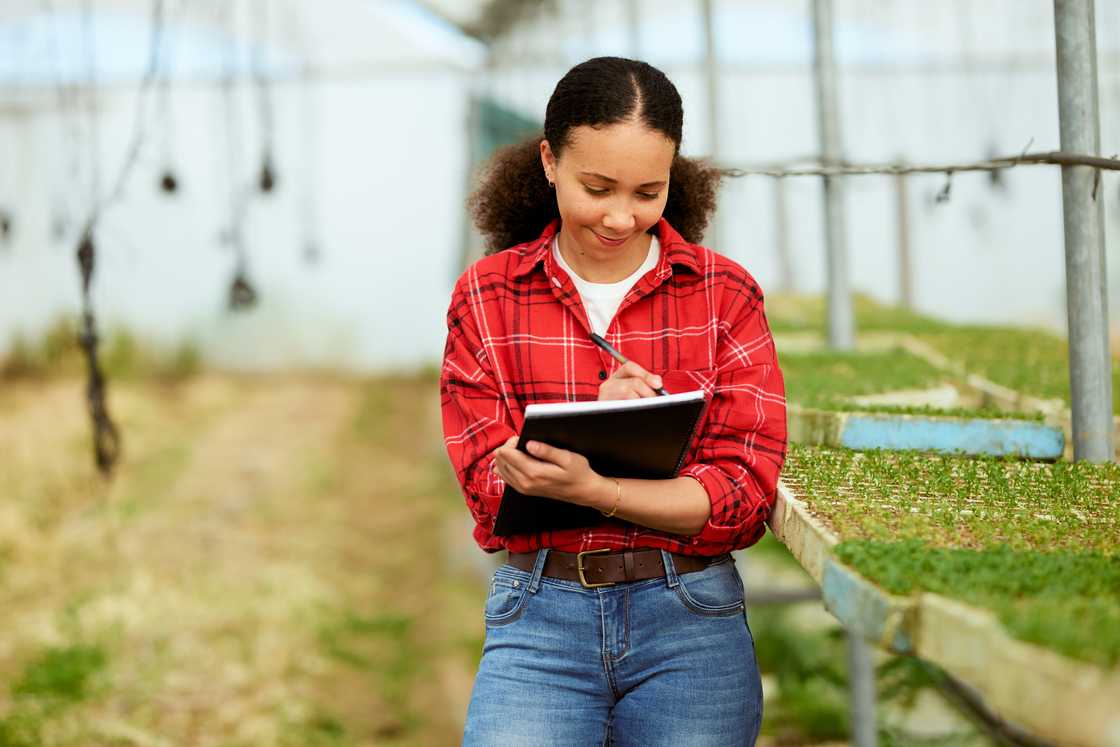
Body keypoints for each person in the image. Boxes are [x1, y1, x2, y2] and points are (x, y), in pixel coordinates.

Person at [440, 56, 786, 747]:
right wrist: (600, 426)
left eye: (647, 192)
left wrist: (598, 483)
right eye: (597, 187)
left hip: (690, 620)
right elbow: (489, 491)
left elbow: (743, 495)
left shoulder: (725, 294)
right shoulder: (487, 294)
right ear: (549, 160)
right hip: (541, 617)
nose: (621, 216)